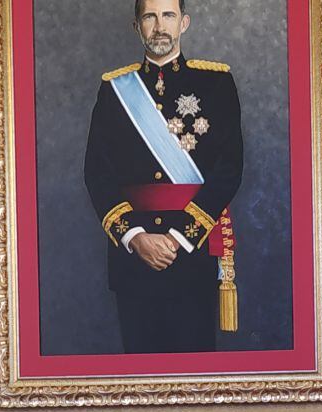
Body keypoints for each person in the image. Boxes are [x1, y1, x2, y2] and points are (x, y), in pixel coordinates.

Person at [83, 0, 244, 354]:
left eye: (168, 16)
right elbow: (97, 173)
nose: (159, 26)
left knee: (194, 382)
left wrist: (178, 239)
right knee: (139, 379)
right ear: (136, 26)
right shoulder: (114, 90)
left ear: (184, 23)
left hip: (192, 256)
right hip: (134, 263)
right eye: (150, 17)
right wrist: (135, 237)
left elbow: (228, 169)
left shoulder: (216, 83)